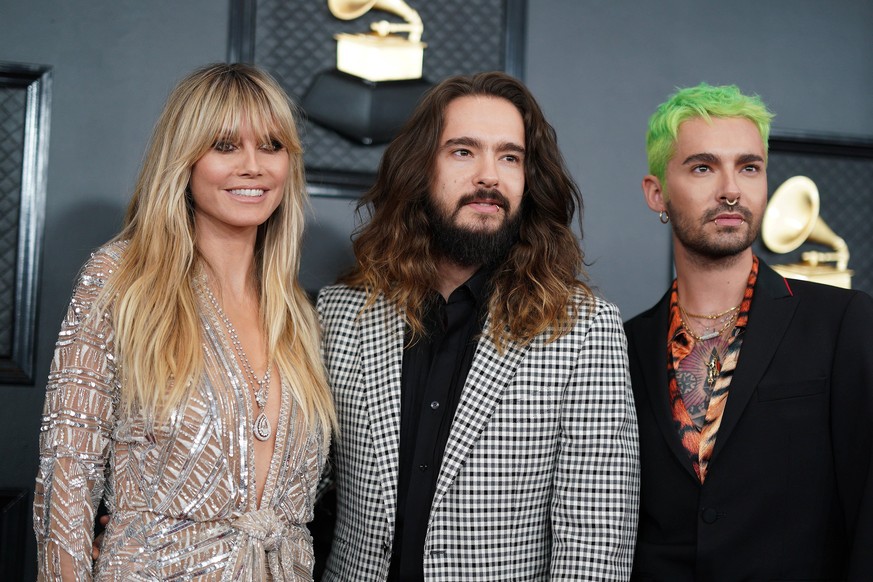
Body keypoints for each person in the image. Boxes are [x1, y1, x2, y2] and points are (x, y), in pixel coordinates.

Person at [316, 71, 640, 581]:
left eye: (509, 156)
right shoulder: (341, 313)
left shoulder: (585, 330)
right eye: (463, 152)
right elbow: (300, 483)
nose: (489, 175)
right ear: (421, 168)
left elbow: (595, 543)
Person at [33, 63, 335, 580]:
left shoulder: (298, 313)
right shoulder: (122, 277)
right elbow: (68, 467)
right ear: (184, 160)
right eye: (224, 146)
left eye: (271, 146)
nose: (252, 166)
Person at [625, 83, 873, 581]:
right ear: (657, 193)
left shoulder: (843, 322)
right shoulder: (622, 346)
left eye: (749, 167)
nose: (731, 189)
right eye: (702, 167)